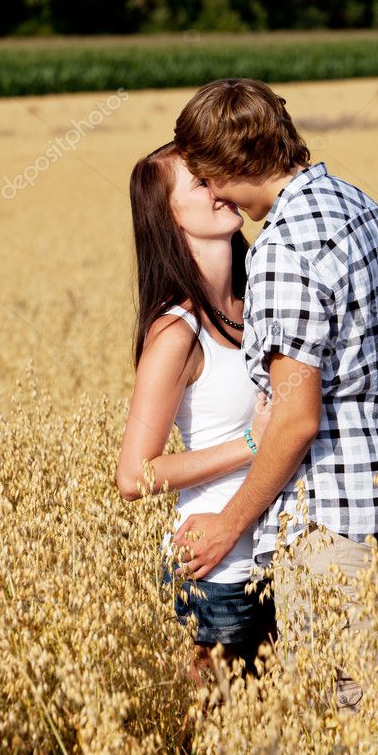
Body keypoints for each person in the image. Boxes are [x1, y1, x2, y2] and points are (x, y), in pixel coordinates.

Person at [172, 78, 378, 711]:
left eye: (208, 177)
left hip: (330, 535)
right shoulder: (359, 205)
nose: (210, 194)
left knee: (343, 736)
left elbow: (295, 418)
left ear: (234, 164)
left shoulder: (284, 246)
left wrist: (226, 527)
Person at [116, 141, 277, 681]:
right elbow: (135, 476)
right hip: (217, 578)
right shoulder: (175, 331)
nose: (220, 188)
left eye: (218, 175)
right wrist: (251, 445)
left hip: (278, 559)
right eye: (199, 183)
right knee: (218, 747)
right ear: (168, 216)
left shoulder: (261, 300)